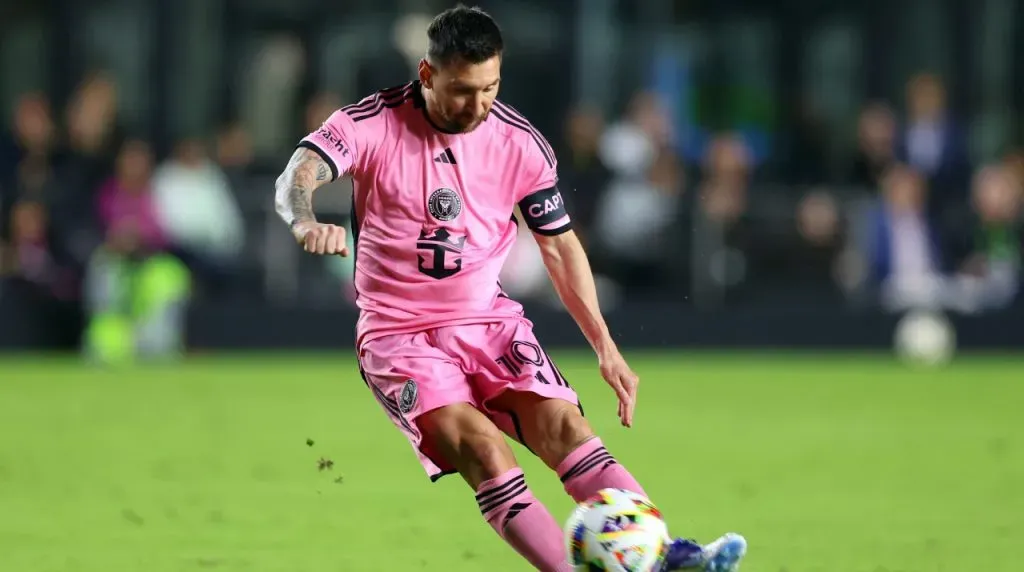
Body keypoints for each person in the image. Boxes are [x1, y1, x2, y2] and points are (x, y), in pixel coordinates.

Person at [273, 6, 746, 571]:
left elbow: (560, 247)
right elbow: (297, 172)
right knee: (485, 450)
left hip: (490, 322)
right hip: (401, 338)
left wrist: (606, 347)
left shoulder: (519, 143)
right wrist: (304, 220)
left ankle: (665, 557)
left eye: (491, 87)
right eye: (462, 90)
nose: (478, 106)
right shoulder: (372, 124)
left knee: (566, 426)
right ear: (426, 75)